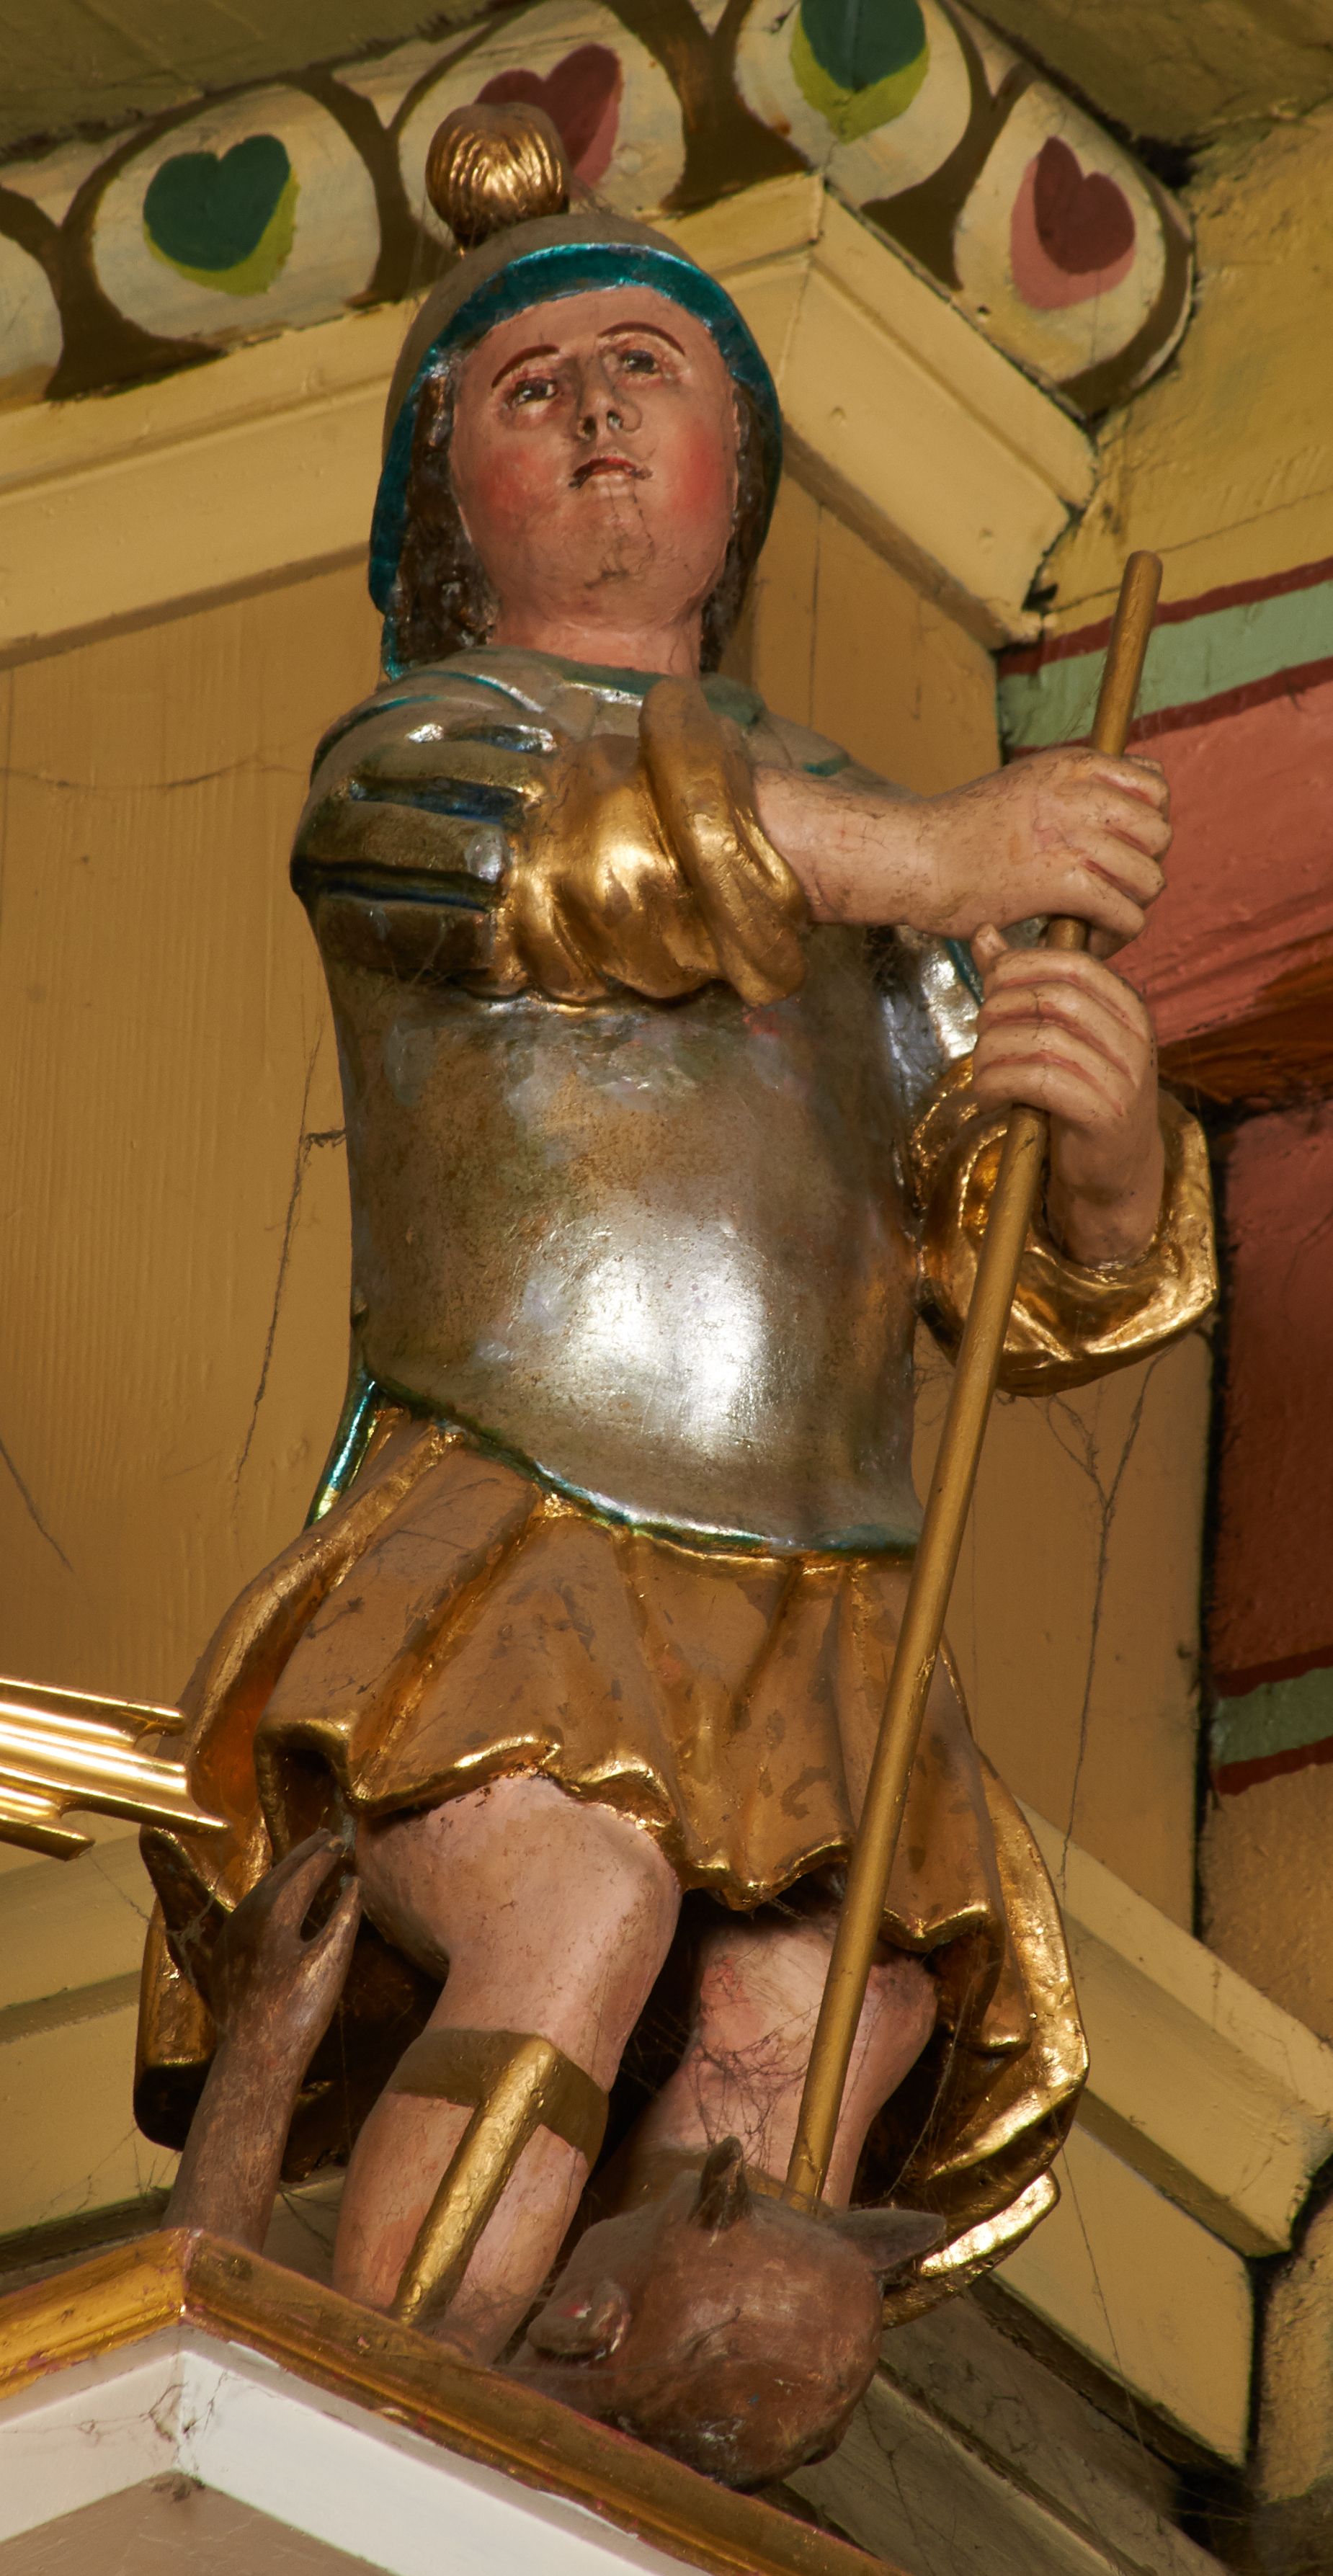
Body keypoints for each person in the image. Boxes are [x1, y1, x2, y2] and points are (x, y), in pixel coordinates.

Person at [136, 104, 1213, 2368]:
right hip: (526, 1521)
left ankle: (612, 2429)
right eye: (532, 388)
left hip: (817, 1573)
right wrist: (945, 858)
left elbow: (998, 1256)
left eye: (649, 368)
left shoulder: (864, 845)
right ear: (451, 504)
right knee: (574, 1894)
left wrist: (1103, 1143)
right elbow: (580, 867)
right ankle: (384, 2408)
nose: (599, 411)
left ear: (739, 469)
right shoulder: (429, 751)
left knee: (823, 2023)